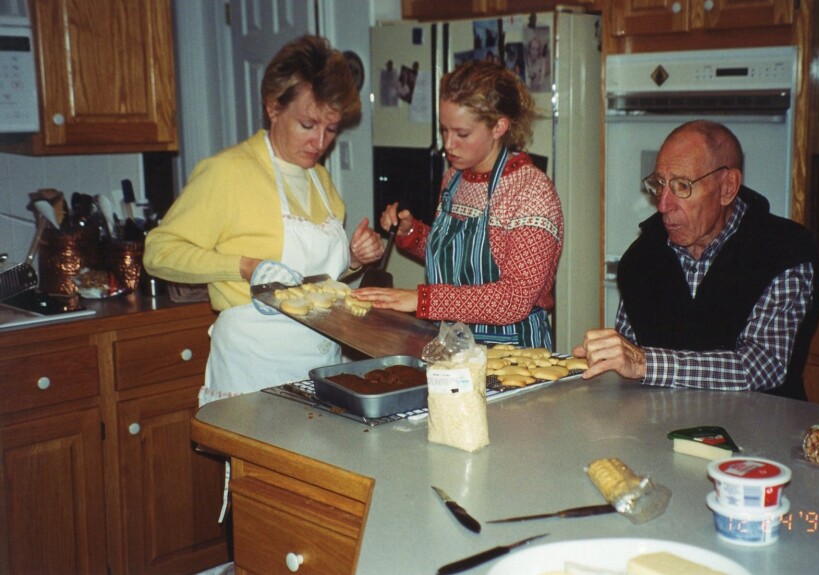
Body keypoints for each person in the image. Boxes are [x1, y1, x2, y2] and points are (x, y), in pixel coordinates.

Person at [144, 35, 383, 405]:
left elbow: (318, 281)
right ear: (273, 108)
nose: (320, 142)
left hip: (321, 361)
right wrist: (243, 266)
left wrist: (353, 260)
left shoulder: (320, 180)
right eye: (307, 124)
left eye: (331, 129)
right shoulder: (228, 173)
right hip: (253, 368)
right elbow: (158, 253)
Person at [573, 120, 819, 400]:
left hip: (759, 431)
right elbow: (630, 355)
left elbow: (762, 366)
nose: (663, 205)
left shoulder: (784, 250)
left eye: (682, 186)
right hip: (659, 429)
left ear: (727, 188)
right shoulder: (642, 257)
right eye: (659, 184)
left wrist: (645, 363)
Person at [353, 60, 564, 350]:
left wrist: (422, 300)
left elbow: (514, 300)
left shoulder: (530, 192)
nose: (448, 145)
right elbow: (457, 264)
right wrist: (411, 234)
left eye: (462, 134)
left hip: (513, 351)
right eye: (444, 131)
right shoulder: (454, 178)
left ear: (498, 127)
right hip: (454, 344)